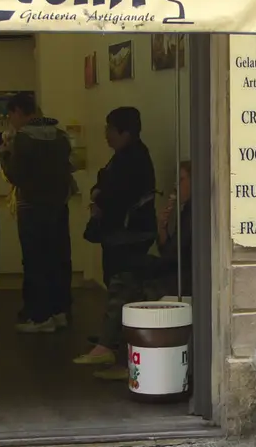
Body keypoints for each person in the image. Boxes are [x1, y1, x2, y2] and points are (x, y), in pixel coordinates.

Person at [75, 160, 193, 378]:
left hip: (185, 276)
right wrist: (162, 228)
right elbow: (169, 249)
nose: (177, 186)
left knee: (131, 287)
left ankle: (116, 353)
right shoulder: (187, 211)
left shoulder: (195, 213)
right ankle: (108, 346)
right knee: (125, 276)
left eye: (183, 180)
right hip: (177, 269)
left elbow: (173, 255)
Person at [0, 93, 77, 334]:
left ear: (20, 112)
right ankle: (59, 310)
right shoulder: (60, 135)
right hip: (58, 205)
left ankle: (39, 315)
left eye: (11, 115)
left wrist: (5, 153)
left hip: (32, 207)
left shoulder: (22, 139)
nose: (11, 120)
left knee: (35, 260)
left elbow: (16, 175)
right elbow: (69, 167)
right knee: (58, 258)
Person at [85, 107, 157, 283]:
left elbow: (116, 195)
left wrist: (98, 197)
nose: (106, 135)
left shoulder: (132, 159)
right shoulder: (125, 155)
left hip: (128, 234)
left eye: (110, 129)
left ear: (125, 133)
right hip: (126, 232)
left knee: (120, 283)